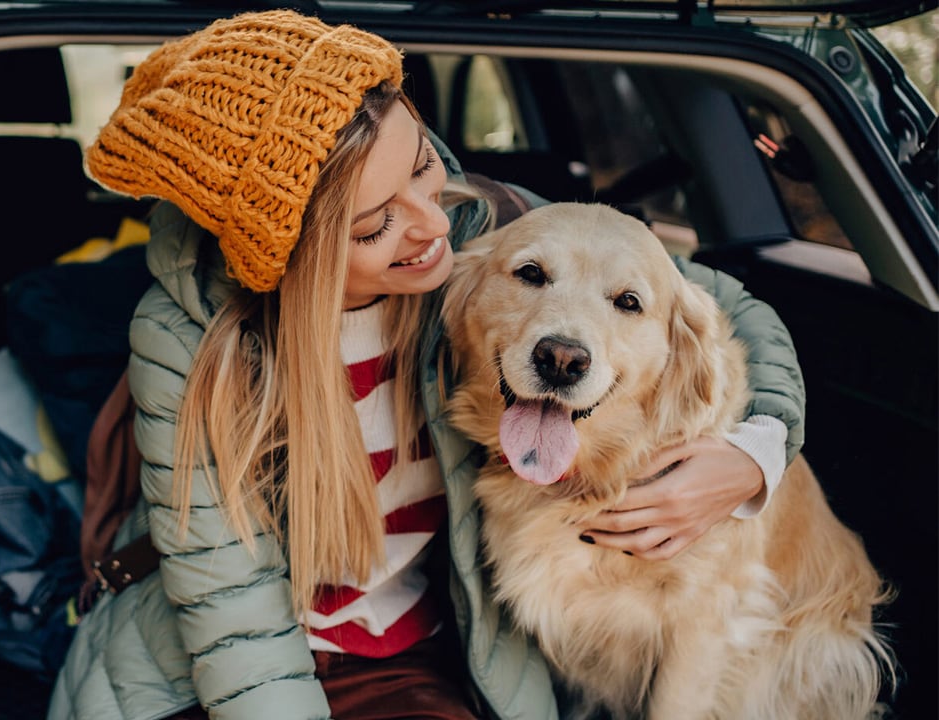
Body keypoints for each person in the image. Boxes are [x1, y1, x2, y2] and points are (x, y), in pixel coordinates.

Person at [48, 10, 803, 720]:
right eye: (379, 225)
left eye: (421, 167)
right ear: (293, 256)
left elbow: (728, 310)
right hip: (210, 658)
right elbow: (233, 621)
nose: (433, 222)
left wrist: (755, 456)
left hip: (407, 651)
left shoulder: (491, 227)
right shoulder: (187, 340)